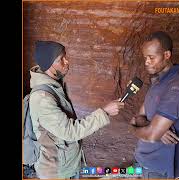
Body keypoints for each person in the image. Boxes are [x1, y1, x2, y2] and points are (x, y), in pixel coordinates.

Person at [28, 40, 124, 179]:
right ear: (49, 65)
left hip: (66, 164)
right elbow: (70, 131)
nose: (67, 61)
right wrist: (105, 112)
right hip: (57, 172)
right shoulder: (43, 98)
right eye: (61, 59)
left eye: (65, 57)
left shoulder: (53, 86)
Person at [129, 31, 179, 178]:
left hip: (158, 167)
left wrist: (133, 128)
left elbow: (150, 135)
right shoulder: (157, 82)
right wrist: (156, 130)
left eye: (151, 57)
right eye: (145, 57)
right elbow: (140, 115)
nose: (146, 62)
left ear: (167, 55)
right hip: (143, 158)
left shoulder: (176, 89)